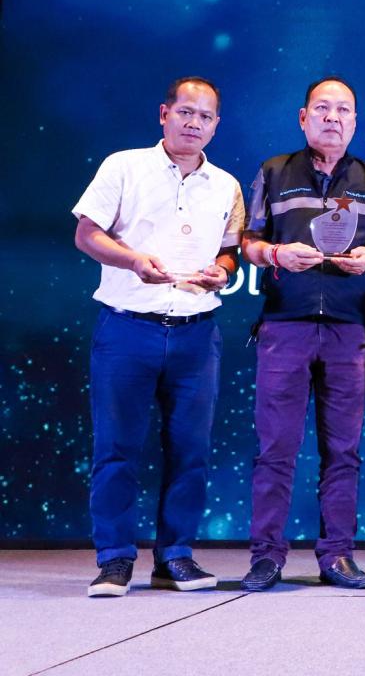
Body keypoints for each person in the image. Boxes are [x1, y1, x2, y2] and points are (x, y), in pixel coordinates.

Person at [73, 76, 243, 597]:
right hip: (128, 327)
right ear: (164, 114)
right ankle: (114, 559)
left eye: (205, 116)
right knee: (116, 449)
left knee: (191, 451)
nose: (194, 123)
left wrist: (222, 271)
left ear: (216, 125)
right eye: (185, 112)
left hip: (196, 334)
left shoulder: (226, 185)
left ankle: (175, 557)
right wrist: (133, 261)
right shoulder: (124, 166)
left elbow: (230, 251)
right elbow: (86, 234)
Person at [239, 76, 365, 591]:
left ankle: (337, 555)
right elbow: (248, 241)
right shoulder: (275, 171)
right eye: (322, 109)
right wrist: (276, 254)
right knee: (276, 449)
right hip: (285, 326)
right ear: (303, 118)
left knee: (343, 450)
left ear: (355, 121)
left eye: (343, 110)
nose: (333, 118)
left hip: (348, 329)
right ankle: (266, 556)